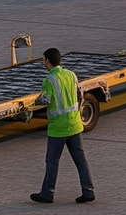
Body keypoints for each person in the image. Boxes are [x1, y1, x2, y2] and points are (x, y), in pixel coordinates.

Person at [30, 48, 96, 204]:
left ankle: (47, 194)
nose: (43, 63)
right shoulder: (71, 75)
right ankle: (88, 191)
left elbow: (46, 100)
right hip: (74, 125)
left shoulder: (49, 80)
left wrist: (35, 101)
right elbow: (79, 95)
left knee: (52, 161)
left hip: (58, 129)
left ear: (48, 61)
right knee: (80, 159)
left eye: (44, 60)